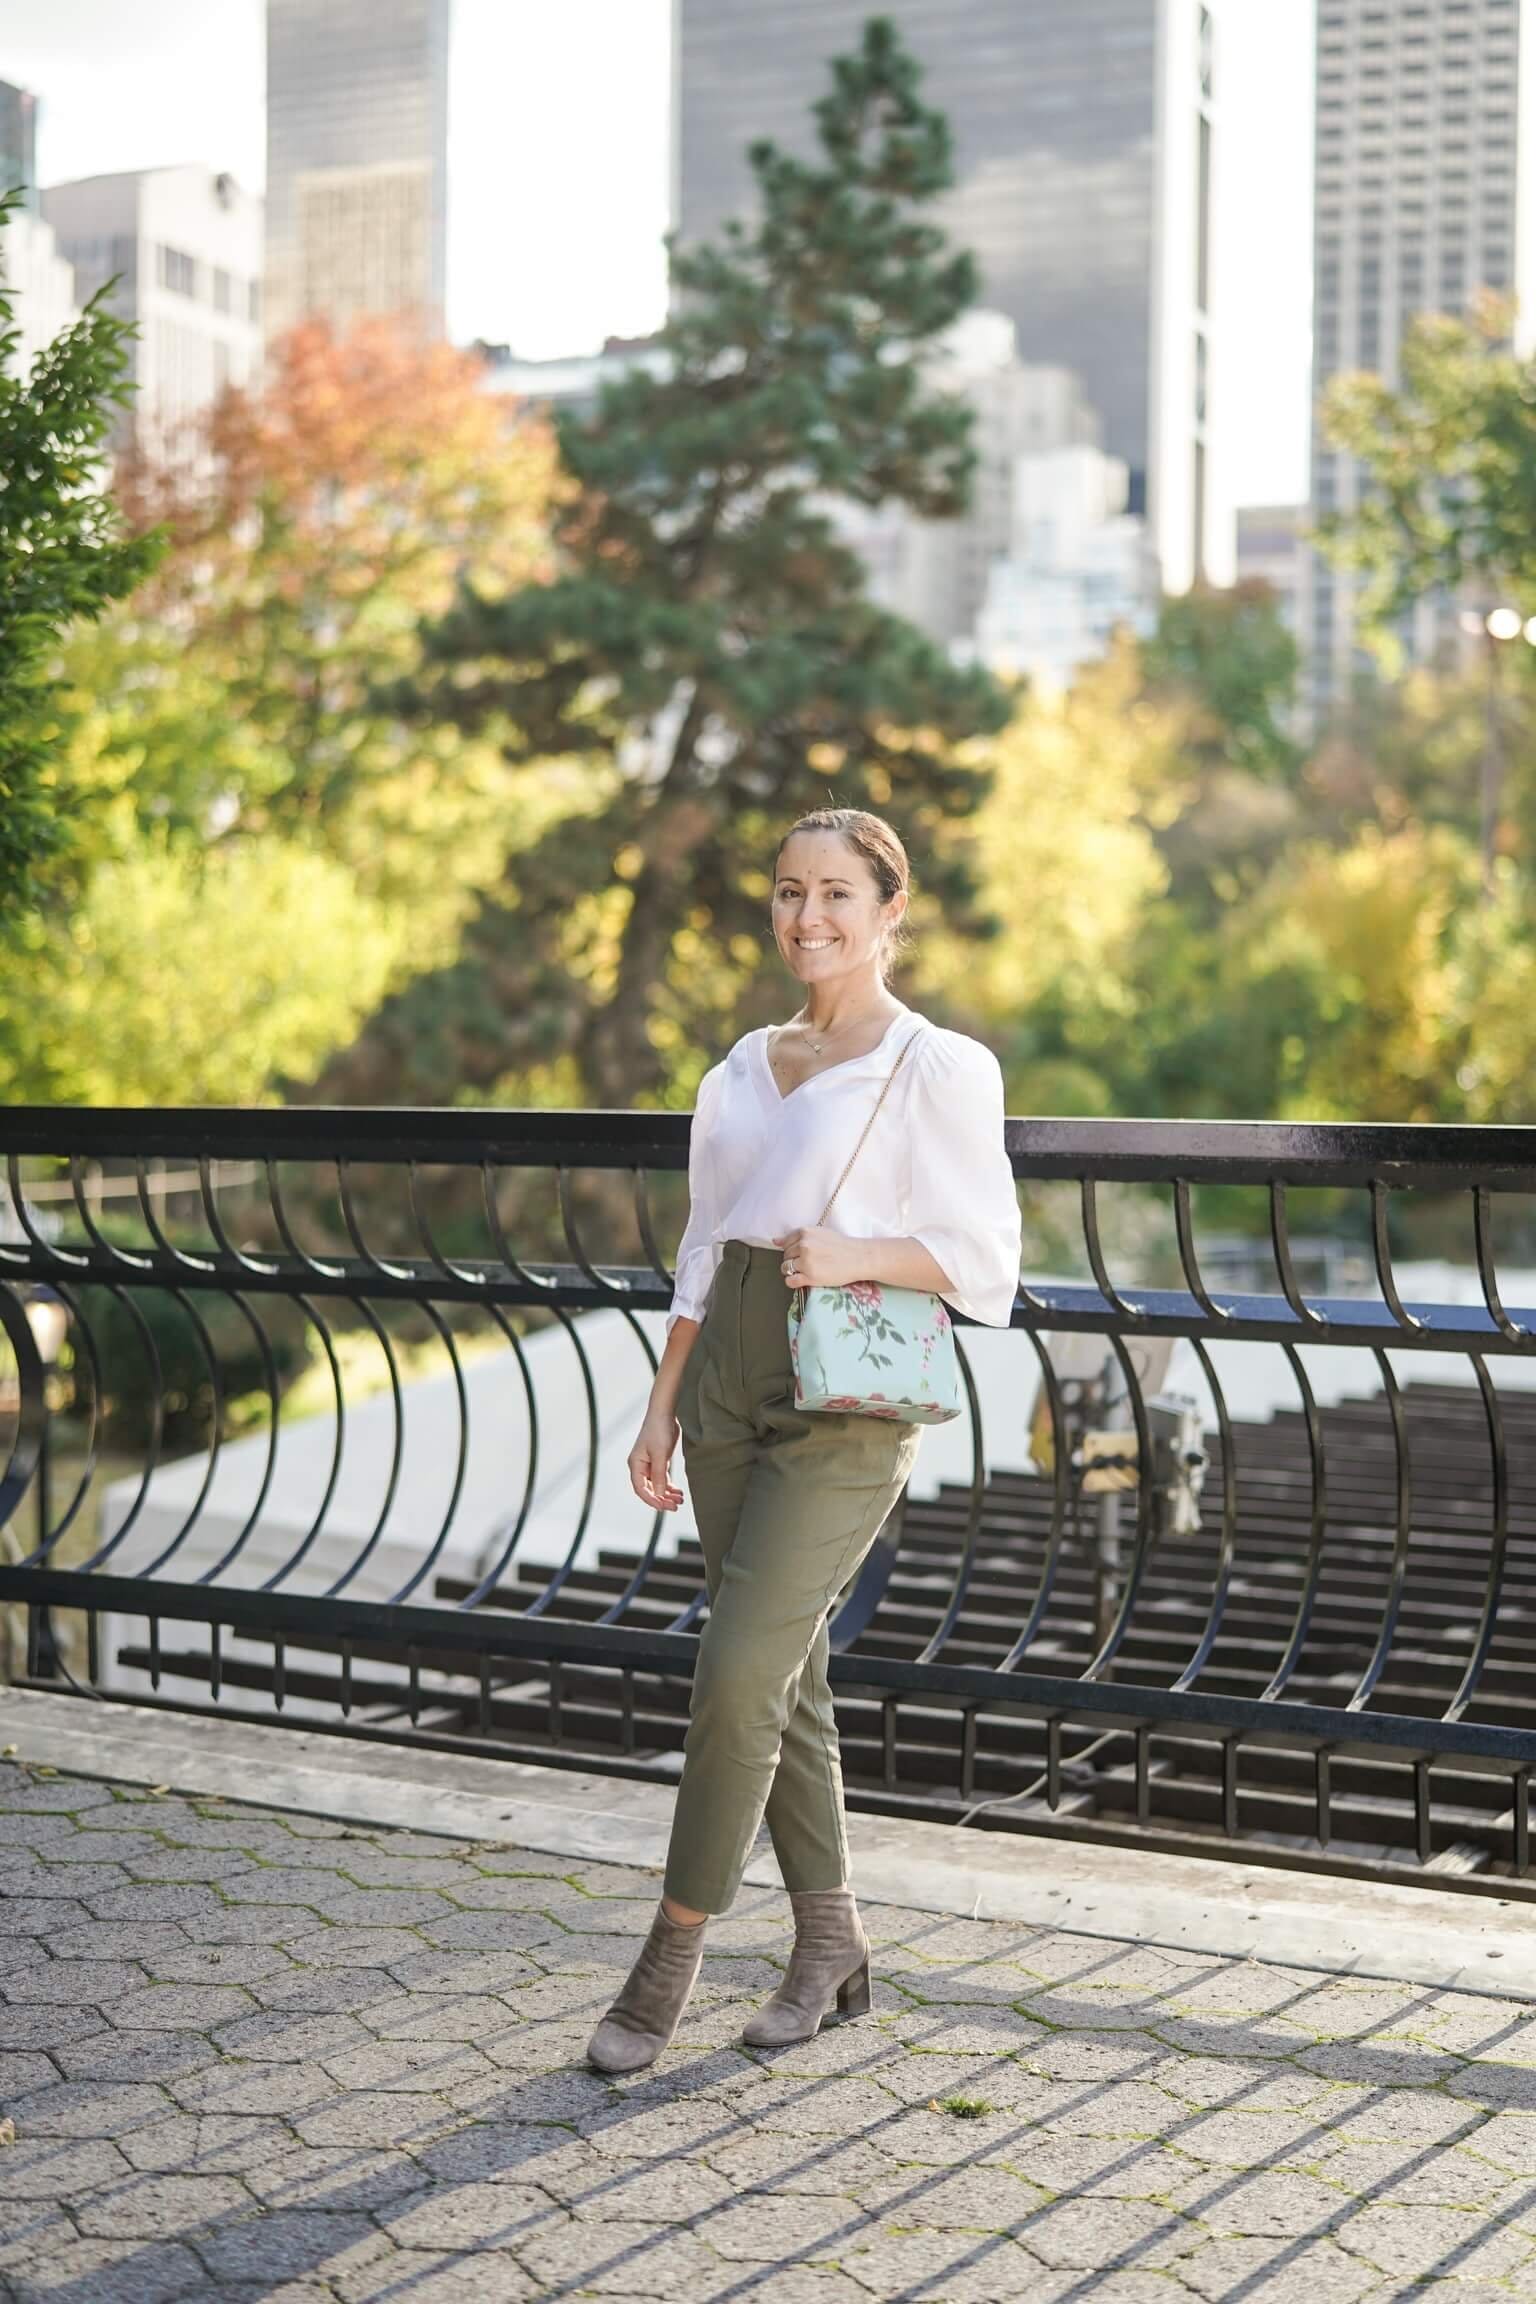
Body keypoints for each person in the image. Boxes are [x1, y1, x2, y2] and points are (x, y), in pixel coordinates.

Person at [585, 806, 1022, 2074]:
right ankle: (828, 1943)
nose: (807, 917)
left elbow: (987, 1263)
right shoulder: (739, 1063)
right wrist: (665, 1401)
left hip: (845, 1391)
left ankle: (670, 1949)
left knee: (734, 1672)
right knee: (786, 1676)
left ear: (893, 911)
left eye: (838, 893)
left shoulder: (939, 1064)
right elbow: (700, 1246)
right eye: (787, 892)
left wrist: (857, 1254)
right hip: (725, 1368)